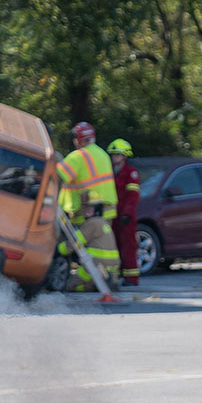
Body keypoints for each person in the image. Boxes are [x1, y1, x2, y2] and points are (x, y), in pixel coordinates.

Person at [57, 121, 120, 290]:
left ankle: (82, 282)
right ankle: (109, 279)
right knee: (102, 248)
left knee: (81, 249)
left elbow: (57, 176)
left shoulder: (78, 156)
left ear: (78, 139)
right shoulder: (103, 155)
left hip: (86, 213)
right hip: (107, 211)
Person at [108, 138, 141, 286]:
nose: (114, 157)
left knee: (128, 245)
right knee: (114, 244)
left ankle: (132, 277)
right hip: (112, 214)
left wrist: (127, 213)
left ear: (125, 156)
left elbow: (133, 196)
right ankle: (119, 273)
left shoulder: (131, 173)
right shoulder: (110, 171)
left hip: (126, 215)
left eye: (118, 154)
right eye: (113, 154)